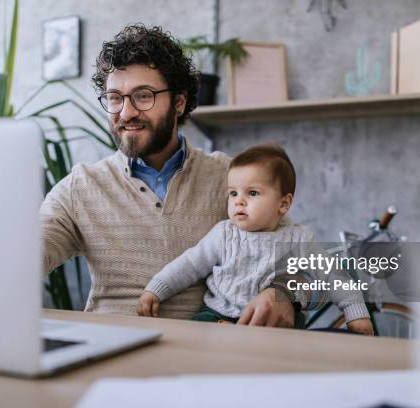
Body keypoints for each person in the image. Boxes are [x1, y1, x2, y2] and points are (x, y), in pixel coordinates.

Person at [40, 24, 306, 328]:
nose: (126, 112)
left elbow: (303, 262)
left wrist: (285, 294)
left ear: (179, 103)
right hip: (110, 351)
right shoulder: (81, 186)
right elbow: (28, 251)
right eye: (115, 98)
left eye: (143, 96)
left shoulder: (230, 179)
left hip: (208, 353)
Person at [137, 145, 373, 332]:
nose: (238, 201)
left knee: (297, 335)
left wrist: (356, 311)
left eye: (252, 193)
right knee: (199, 325)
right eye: (233, 193)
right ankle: (227, 332)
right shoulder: (224, 234)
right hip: (220, 312)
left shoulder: (297, 238)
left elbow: (332, 275)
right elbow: (189, 264)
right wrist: (156, 289)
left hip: (274, 322)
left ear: (284, 204)